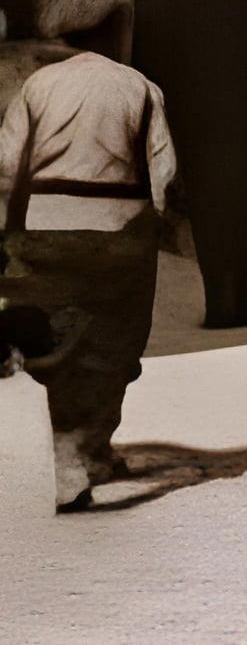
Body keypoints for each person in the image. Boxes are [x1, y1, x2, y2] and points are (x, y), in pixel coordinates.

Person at [0, 47, 178, 511]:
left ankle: (69, 453)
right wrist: (153, 219)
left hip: (43, 228)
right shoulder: (140, 86)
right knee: (114, 344)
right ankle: (88, 450)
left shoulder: (38, 85)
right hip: (116, 232)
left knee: (54, 340)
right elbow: (162, 169)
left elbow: (6, 160)